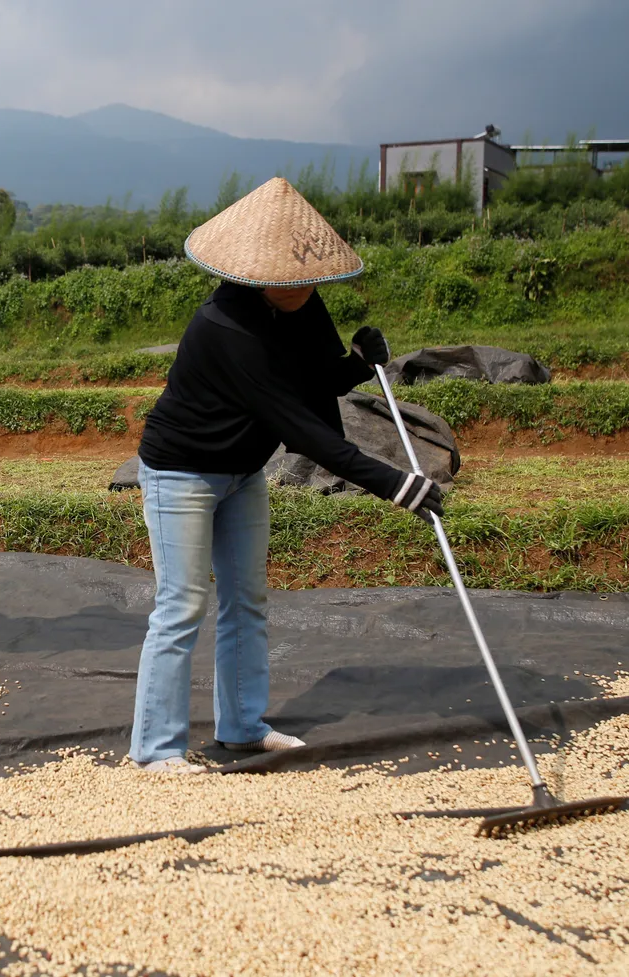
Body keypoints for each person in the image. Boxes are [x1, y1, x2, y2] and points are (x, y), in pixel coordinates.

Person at [130, 177, 444, 773]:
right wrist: (394, 484)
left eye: (309, 279)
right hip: (182, 473)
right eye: (288, 279)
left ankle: (243, 728)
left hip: (242, 471)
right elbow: (298, 428)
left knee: (247, 600)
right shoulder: (225, 328)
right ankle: (156, 750)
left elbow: (316, 382)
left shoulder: (304, 307)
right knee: (182, 605)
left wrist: (359, 363)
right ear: (253, 274)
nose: (302, 288)